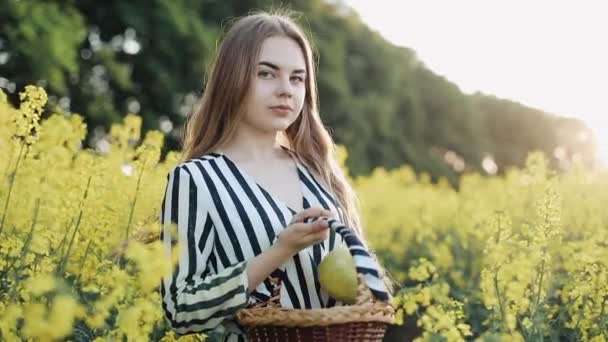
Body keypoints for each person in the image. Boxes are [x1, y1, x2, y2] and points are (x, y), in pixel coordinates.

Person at [160, 10, 391, 341]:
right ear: (233, 78)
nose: (286, 90)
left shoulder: (318, 169)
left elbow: (359, 280)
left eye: (297, 78)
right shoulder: (196, 179)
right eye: (267, 74)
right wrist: (279, 251)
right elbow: (180, 308)